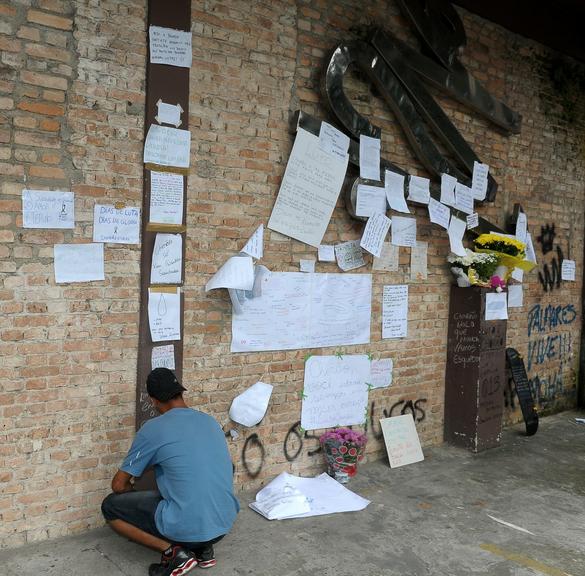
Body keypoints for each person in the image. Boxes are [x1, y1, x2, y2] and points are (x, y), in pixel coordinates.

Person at [101, 368, 239, 576]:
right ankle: (204, 550)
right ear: (180, 392)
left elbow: (118, 485)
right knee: (191, 485)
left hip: (188, 527)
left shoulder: (153, 429)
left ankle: (174, 553)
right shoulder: (209, 421)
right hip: (223, 523)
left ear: (154, 400)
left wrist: (132, 491)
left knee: (110, 506)